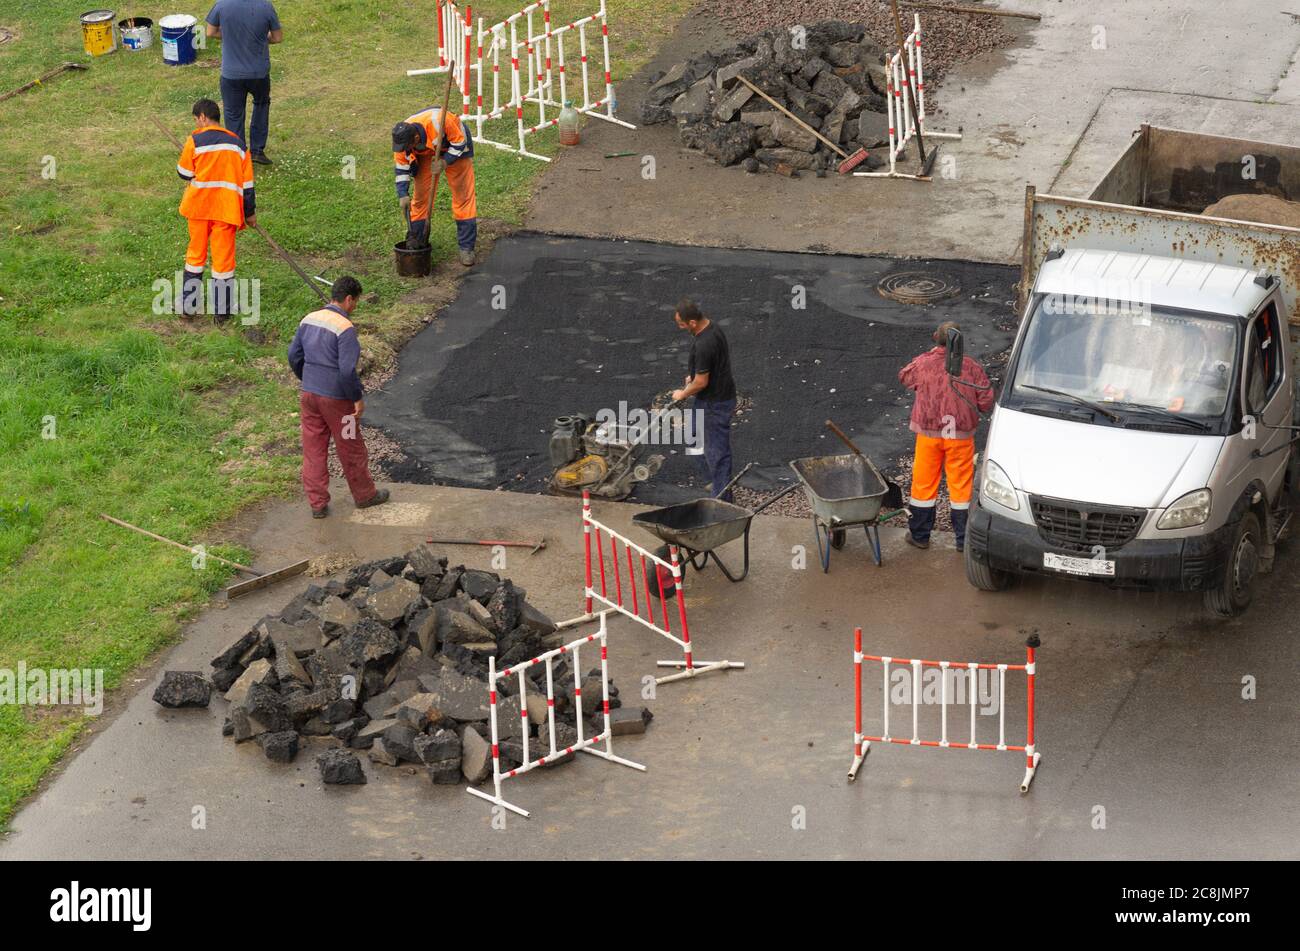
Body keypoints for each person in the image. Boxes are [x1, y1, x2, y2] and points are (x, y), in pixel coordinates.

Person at [287, 276, 390, 519]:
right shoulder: (345, 329)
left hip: (309, 397)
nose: (355, 307)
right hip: (337, 402)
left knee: (313, 448)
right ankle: (365, 496)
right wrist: (356, 398)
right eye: (355, 302)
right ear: (348, 299)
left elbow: (293, 355)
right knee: (350, 446)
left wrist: (308, 379)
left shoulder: (308, 319)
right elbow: (346, 371)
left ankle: (317, 504)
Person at [898, 320, 994, 552]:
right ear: (960, 341)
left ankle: (920, 535)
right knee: (961, 486)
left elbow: (905, 377)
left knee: (923, 484)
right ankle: (963, 540)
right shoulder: (971, 367)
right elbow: (986, 399)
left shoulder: (924, 363)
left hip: (929, 434)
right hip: (960, 437)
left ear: (935, 337)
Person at [176, 98, 254, 323]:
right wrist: (250, 213)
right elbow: (248, 185)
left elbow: (183, 172)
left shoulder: (195, 140)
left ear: (202, 117)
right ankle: (222, 314)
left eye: (196, 120)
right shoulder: (238, 144)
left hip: (199, 208)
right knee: (223, 262)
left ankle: (188, 307)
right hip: (226, 210)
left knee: (195, 257)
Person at [392, 105, 477, 266]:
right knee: (420, 197)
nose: (402, 150)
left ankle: (466, 248)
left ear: (416, 139)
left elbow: (459, 143)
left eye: (406, 148)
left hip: (455, 145)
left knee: (463, 195)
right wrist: (402, 194)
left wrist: (445, 162)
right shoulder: (401, 140)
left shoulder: (440, 121)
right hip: (424, 152)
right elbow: (402, 167)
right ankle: (417, 241)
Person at [670, 299, 737, 502]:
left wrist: (683, 393)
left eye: (681, 324)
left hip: (714, 403)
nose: (680, 327)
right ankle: (715, 481)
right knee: (692, 439)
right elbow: (709, 369)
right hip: (712, 398)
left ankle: (723, 500)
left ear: (691, 322)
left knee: (717, 452)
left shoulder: (704, 344)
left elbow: (701, 382)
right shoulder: (712, 328)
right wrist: (694, 375)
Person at [206, 0, 282, 165]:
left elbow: (210, 32)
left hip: (231, 74)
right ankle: (257, 151)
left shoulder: (221, 5)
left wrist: (233, 35)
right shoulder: (266, 6)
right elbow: (277, 37)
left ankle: (238, 155)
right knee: (261, 104)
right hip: (259, 73)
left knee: (233, 113)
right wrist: (259, 37)